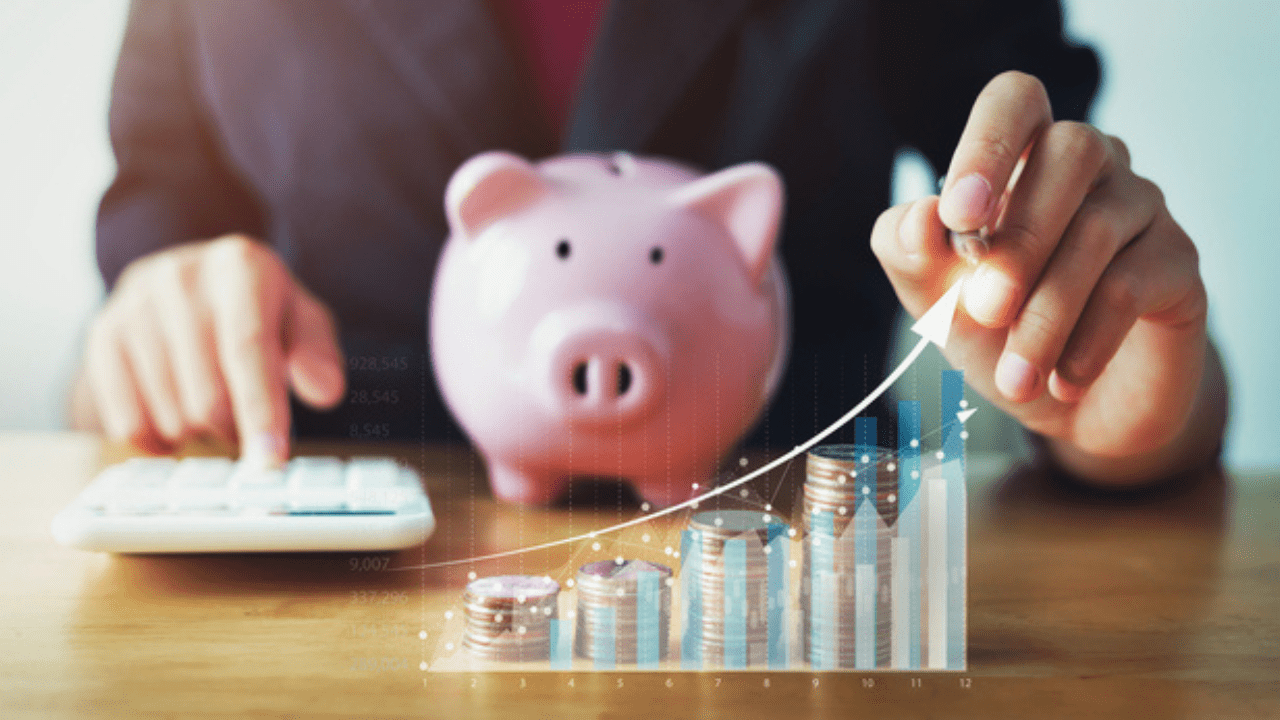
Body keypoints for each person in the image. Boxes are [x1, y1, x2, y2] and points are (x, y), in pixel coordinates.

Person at [71, 0, 1227, 488]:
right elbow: (140, 276)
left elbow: (1050, 224)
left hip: (770, 575)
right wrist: (142, 338)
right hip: (325, 571)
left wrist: (1114, 383)